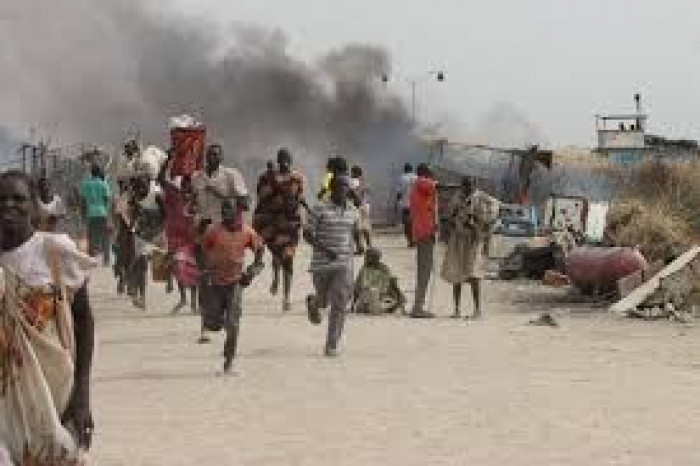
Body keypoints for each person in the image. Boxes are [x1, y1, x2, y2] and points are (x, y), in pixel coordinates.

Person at [0, 170, 97, 464]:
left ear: (33, 204)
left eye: (18, 198)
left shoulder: (53, 250)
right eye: (1, 199)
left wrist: (82, 395)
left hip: (56, 388)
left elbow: (84, 321)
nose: (9, 205)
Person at [201, 200, 264, 374]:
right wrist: (206, 268)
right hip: (215, 282)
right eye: (223, 210)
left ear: (237, 212)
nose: (224, 212)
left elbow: (260, 250)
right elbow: (202, 249)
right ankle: (220, 321)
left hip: (236, 282)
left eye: (228, 210)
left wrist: (252, 271)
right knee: (212, 324)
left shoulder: (247, 232)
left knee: (233, 324)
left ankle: (228, 361)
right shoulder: (213, 231)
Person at [304, 175, 359, 357]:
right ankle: (314, 302)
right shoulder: (319, 208)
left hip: (343, 263)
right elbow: (307, 234)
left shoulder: (352, 209)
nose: (344, 190)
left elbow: (354, 230)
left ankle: (331, 344)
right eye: (340, 186)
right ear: (332, 188)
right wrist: (324, 250)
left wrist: (360, 245)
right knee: (323, 301)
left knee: (340, 301)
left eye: (346, 187)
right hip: (321, 264)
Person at [253, 148, 305, 312]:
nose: (284, 162)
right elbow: (261, 196)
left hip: (290, 225)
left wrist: (298, 209)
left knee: (288, 258)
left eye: (287, 159)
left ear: (291, 160)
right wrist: (272, 183)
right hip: (272, 224)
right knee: (277, 255)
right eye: (281, 159)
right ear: (277, 160)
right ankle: (275, 277)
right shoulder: (266, 177)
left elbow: (298, 197)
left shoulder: (297, 178)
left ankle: (286, 297)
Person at [441, 176, 500, 319]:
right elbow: (449, 215)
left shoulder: (482, 198)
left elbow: (491, 216)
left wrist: (479, 225)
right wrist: (450, 224)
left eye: (469, 186)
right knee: (456, 272)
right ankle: (456, 310)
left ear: (474, 185)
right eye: (465, 186)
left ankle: (477, 310)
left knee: (474, 273)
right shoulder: (457, 197)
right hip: (458, 239)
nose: (467, 188)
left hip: (474, 240)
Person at [158, 155, 199, 315]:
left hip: (192, 238)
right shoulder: (173, 194)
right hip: (175, 238)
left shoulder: (196, 199)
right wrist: (168, 160)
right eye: (185, 186)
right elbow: (161, 179)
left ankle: (193, 302)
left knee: (193, 269)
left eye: (190, 187)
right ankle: (183, 299)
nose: (187, 189)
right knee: (178, 267)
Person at [409, 163, 438, 318]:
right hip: (425, 231)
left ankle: (418, 306)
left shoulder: (417, 186)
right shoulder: (422, 182)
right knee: (424, 271)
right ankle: (418, 308)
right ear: (425, 173)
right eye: (431, 173)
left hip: (422, 231)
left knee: (424, 270)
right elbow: (435, 186)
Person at [352, 247, 406, 315]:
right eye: (366, 257)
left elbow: (393, 285)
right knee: (368, 304)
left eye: (368, 257)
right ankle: (380, 307)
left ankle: (386, 306)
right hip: (367, 297)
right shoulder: (364, 269)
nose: (365, 259)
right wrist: (353, 304)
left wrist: (400, 299)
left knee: (386, 302)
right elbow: (357, 288)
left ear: (376, 258)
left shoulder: (384, 269)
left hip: (382, 297)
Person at [79, 164, 112, 265]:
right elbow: (107, 200)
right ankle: (106, 260)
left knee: (91, 237)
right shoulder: (103, 184)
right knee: (105, 237)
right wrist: (108, 215)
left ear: (91, 172)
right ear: (99, 172)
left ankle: (92, 260)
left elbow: (83, 201)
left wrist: (83, 215)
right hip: (102, 212)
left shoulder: (85, 184)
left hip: (90, 213)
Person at [350, 165, 372, 255]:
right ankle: (370, 246)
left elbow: (354, 193)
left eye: (352, 172)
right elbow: (368, 192)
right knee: (366, 227)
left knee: (356, 228)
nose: (351, 174)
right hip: (366, 205)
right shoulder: (364, 181)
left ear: (355, 173)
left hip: (357, 206)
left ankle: (360, 248)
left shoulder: (353, 181)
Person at [397, 163, 417, 247]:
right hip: (416, 204)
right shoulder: (416, 177)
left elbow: (399, 192)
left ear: (404, 170)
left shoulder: (402, 178)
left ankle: (410, 240)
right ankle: (414, 239)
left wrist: (398, 201)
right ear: (411, 169)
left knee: (407, 223)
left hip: (406, 204)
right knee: (415, 222)